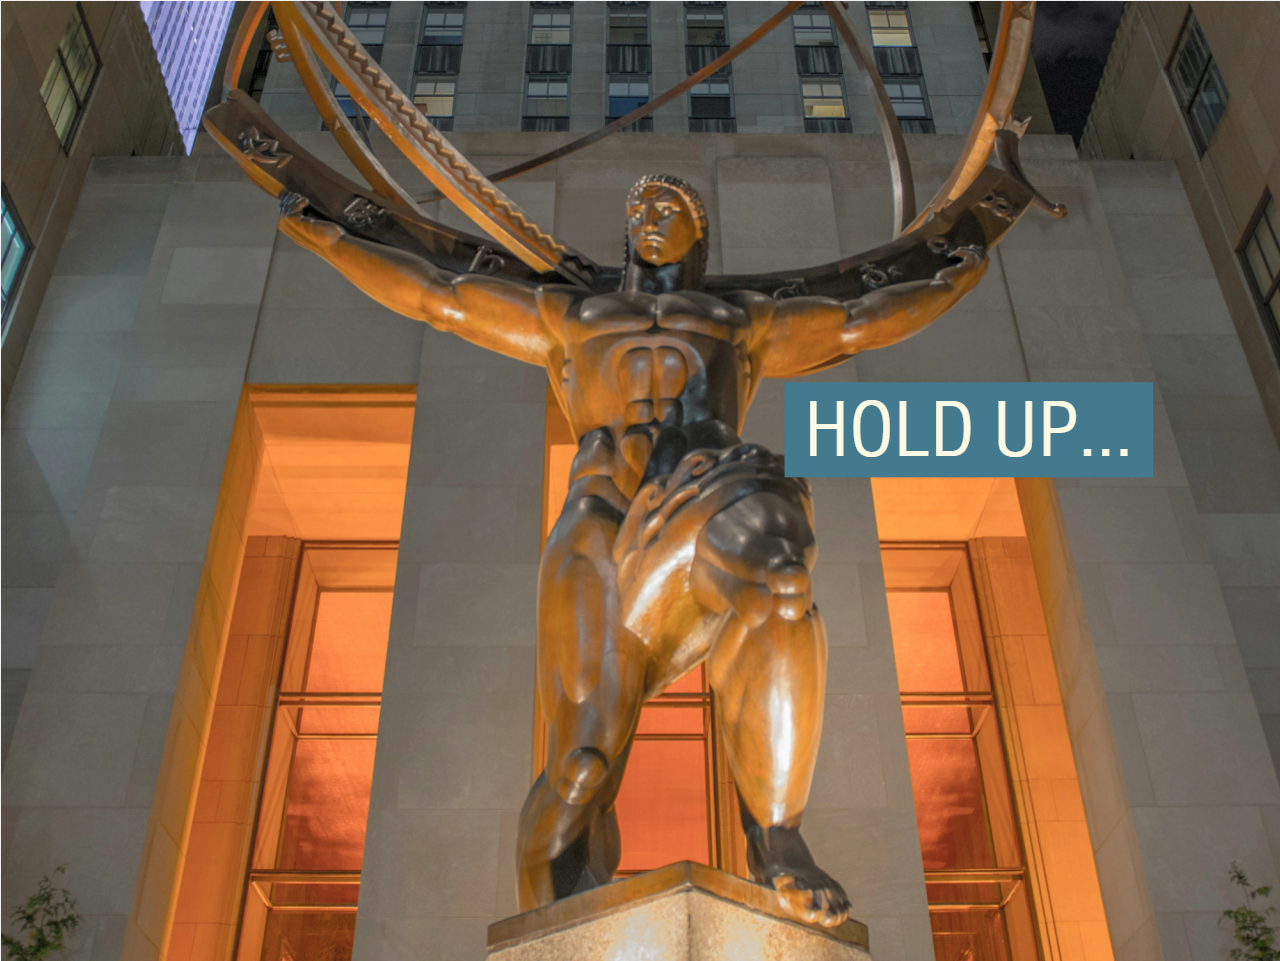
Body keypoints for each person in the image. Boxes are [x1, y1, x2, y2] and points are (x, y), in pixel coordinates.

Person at [277, 174, 987, 927]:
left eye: (668, 208)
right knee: (581, 764)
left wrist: (959, 270)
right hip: (602, 519)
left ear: (699, 233)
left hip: (701, 490)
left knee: (779, 576)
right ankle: (553, 901)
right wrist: (335, 241)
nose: (648, 217)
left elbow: (857, 319)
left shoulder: (737, 318)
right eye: (638, 209)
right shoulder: (572, 313)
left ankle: (778, 834)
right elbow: (439, 295)